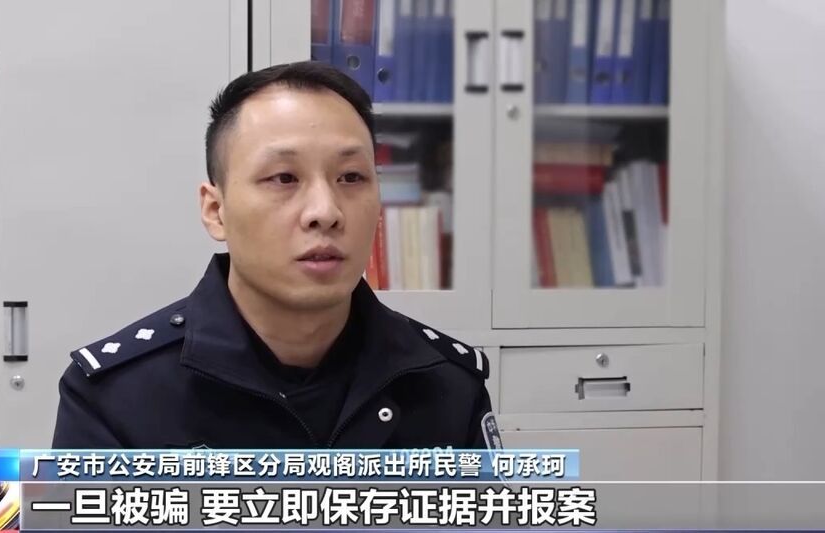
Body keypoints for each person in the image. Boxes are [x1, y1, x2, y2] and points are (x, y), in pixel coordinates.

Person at [52, 61, 501, 451]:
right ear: (216, 210)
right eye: (284, 178)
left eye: (351, 177)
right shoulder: (115, 397)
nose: (325, 212)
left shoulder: (446, 383)